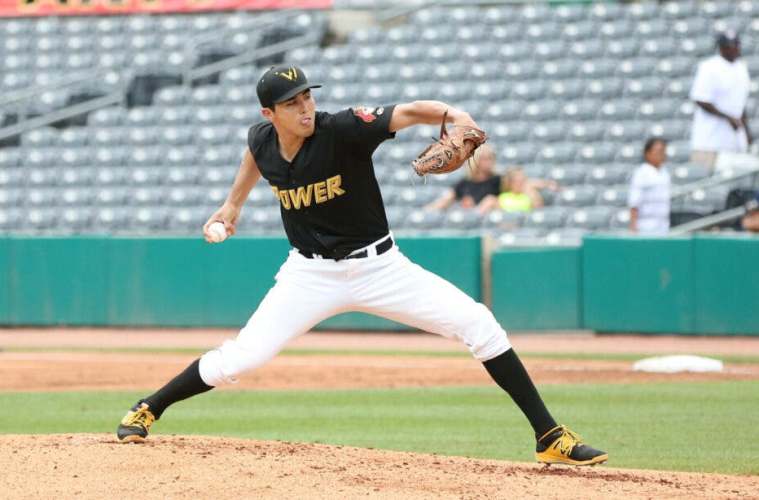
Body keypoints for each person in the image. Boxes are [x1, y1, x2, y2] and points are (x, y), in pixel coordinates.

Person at [116, 65, 607, 466]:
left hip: (381, 268)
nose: (305, 108)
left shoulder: (343, 129)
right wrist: (233, 205)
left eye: (307, 96)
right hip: (308, 274)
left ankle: (548, 435)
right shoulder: (262, 138)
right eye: (291, 103)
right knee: (241, 359)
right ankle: (149, 407)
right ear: (269, 113)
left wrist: (456, 115)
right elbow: (254, 154)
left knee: (478, 323)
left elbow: (409, 112)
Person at [689, 30, 752, 170]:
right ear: (721, 47)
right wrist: (727, 117)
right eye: (729, 46)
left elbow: (741, 104)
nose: (734, 48)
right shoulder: (709, 67)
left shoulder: (741, 68)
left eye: (736, 45)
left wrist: (747, 132)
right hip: (709, 142)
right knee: (709, 180)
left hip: (735, 140)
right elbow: (700, 99)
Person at [425, 143, 501, 215]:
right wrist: (426, 211)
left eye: (491, 158)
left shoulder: (498, 180)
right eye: (485, 159)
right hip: (468, 217)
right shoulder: (464, 183)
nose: (489, 162)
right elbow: (446, 200)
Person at [628, 137, 671, 235]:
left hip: (663, 223)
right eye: (658, 151)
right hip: (646, 224)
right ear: (647, 153)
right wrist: (633, 226)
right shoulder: (641, 173)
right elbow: (634, 202)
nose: (661, 154)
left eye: (663, 151)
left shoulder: (665, 172)